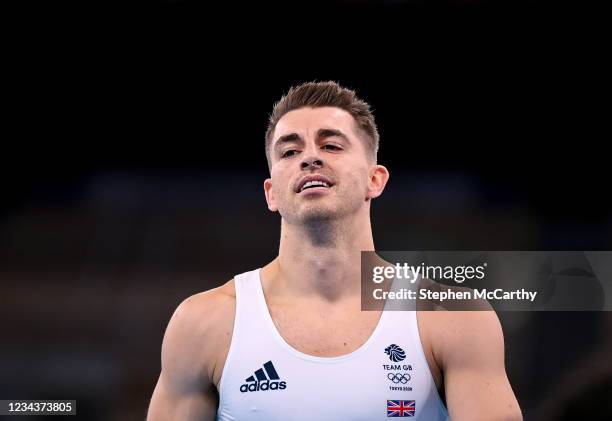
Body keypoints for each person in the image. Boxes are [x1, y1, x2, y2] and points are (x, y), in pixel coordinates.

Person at [147, 81, 523, 420]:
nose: (310, 157)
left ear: (375, 179)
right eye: (290, 151)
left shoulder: (452, 318)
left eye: (330, 145)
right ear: (271, 193)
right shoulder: (204, 324)